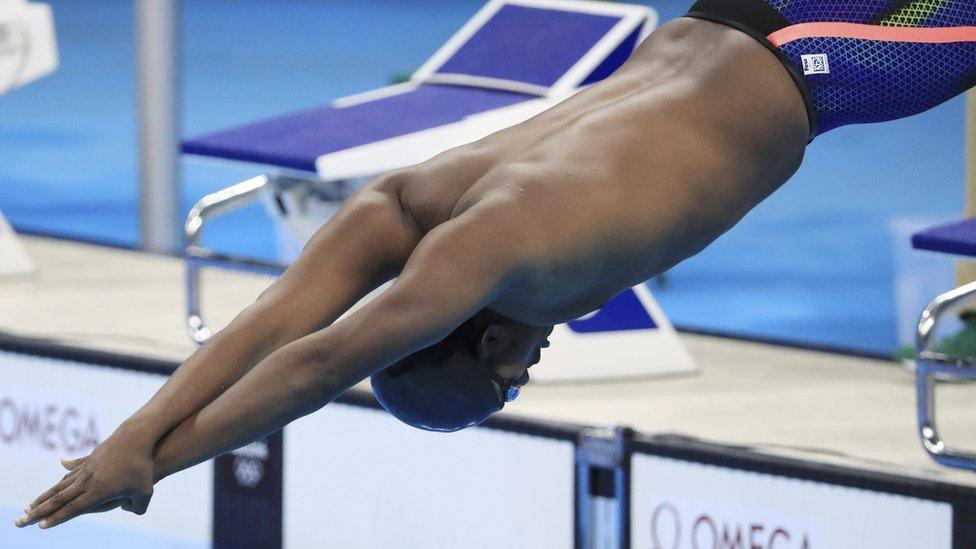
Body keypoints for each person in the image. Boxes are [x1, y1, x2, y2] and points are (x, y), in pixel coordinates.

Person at [16, 0, 976, 530]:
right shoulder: (406, 199)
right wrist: (131, 437)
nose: (530, 370)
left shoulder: (497, 264)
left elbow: (310, 362)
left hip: (828, 64)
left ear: (467, 341)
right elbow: (268, 320)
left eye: (505, 382)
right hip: (732, 18)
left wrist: (153, 462)